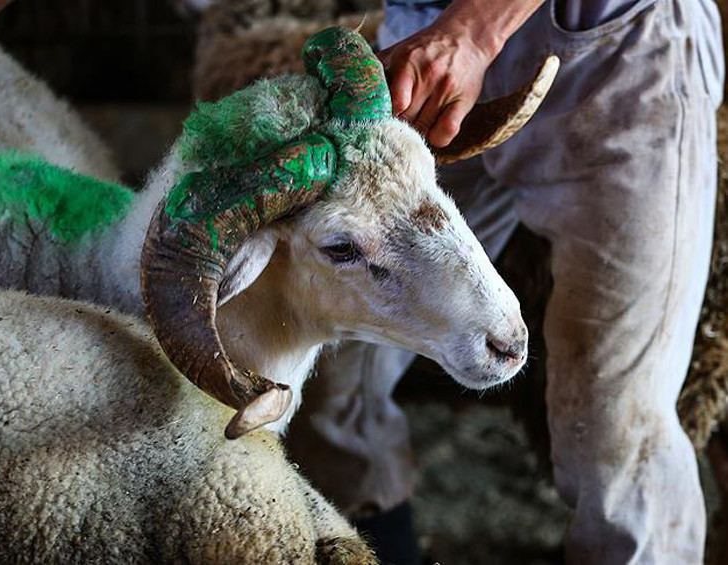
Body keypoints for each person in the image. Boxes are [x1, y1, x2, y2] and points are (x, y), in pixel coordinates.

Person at [287, 0, 725, 563]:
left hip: (616, 58)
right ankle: (380, 546)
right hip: (424, 69)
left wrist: (472, 30)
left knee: (614, 422)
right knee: (332, 362)